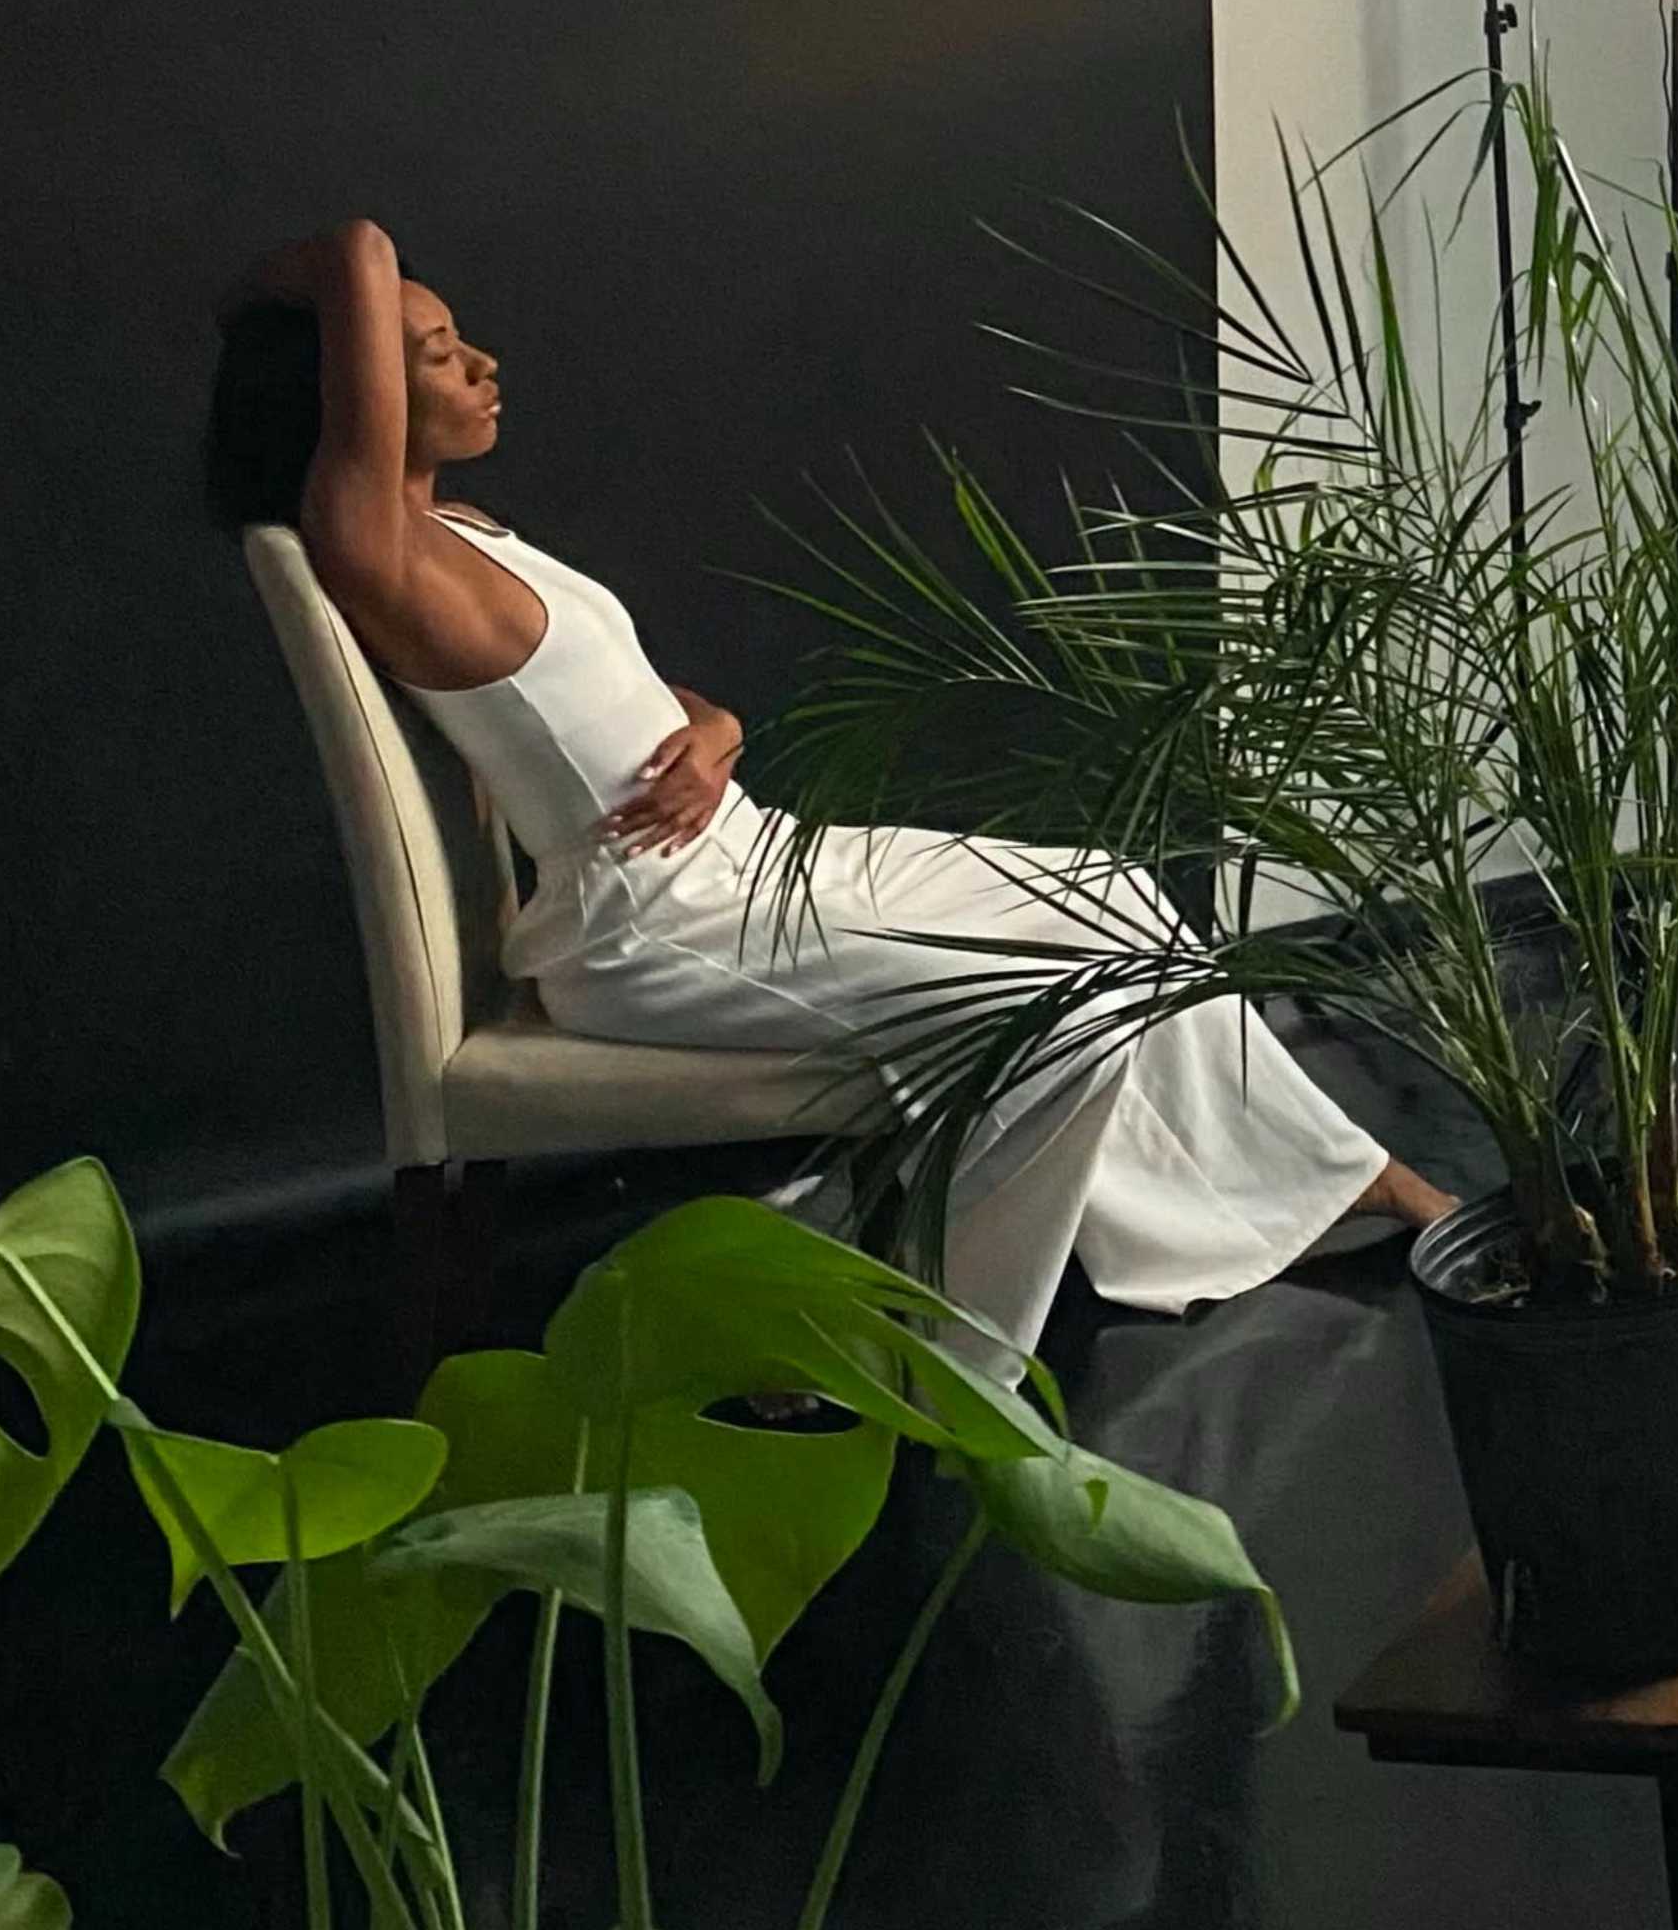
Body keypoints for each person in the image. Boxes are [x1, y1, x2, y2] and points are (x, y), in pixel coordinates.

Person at [208, 220, 1448, 1362]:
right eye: (434, 353)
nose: (483, 363)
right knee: (1043, 997)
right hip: (663, 926)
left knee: (1111, 892)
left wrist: (716, 728)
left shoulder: (467, 530)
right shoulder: (380, 556)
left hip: (748, 851)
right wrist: (280, 301)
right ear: (351, 393)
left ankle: (1338, 1179)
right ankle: (908, 1339)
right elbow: (359, 246)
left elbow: (621, 697)